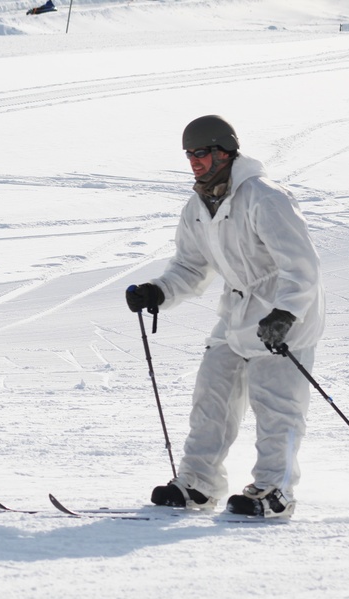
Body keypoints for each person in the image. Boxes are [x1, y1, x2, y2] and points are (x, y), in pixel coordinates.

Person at [125, 115, 325, 520]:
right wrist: (158, 292)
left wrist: (285, 312)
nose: (195, 162)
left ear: (225, 152)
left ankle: (274, 490)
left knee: (277, 406)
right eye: (189, 155)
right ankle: (199, 484)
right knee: (210, 397)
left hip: (283, 315)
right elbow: (191, 267)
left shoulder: (264, 196)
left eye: (202, 153)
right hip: (236, 314)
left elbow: (301, 264)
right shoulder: (197, 206)